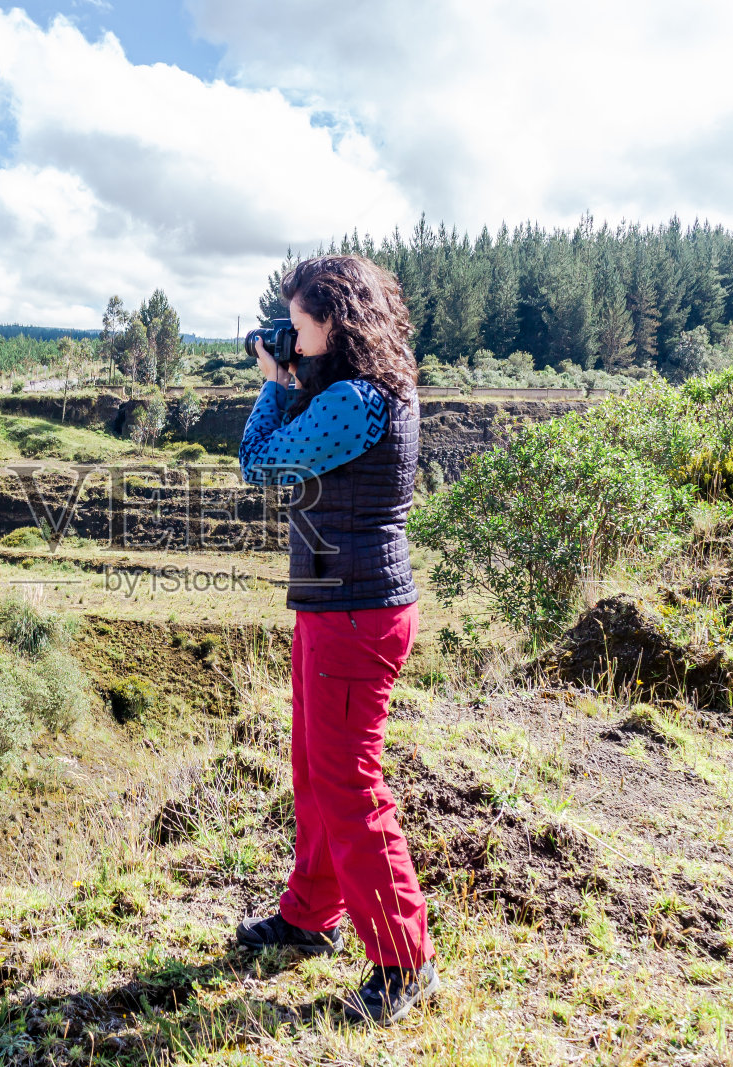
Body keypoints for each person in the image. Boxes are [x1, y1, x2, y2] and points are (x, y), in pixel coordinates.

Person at [232, 254, 434, 1025]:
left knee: (348, 782)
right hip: (332, 600)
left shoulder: (357, 399)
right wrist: (293, 375)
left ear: (337, 322)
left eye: (301, 322)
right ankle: (310, 914)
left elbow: (260, 463)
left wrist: (276, 381)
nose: (293, 335)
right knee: (314, 770)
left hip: (355, 610)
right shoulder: (358, 388)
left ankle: (402, 958)